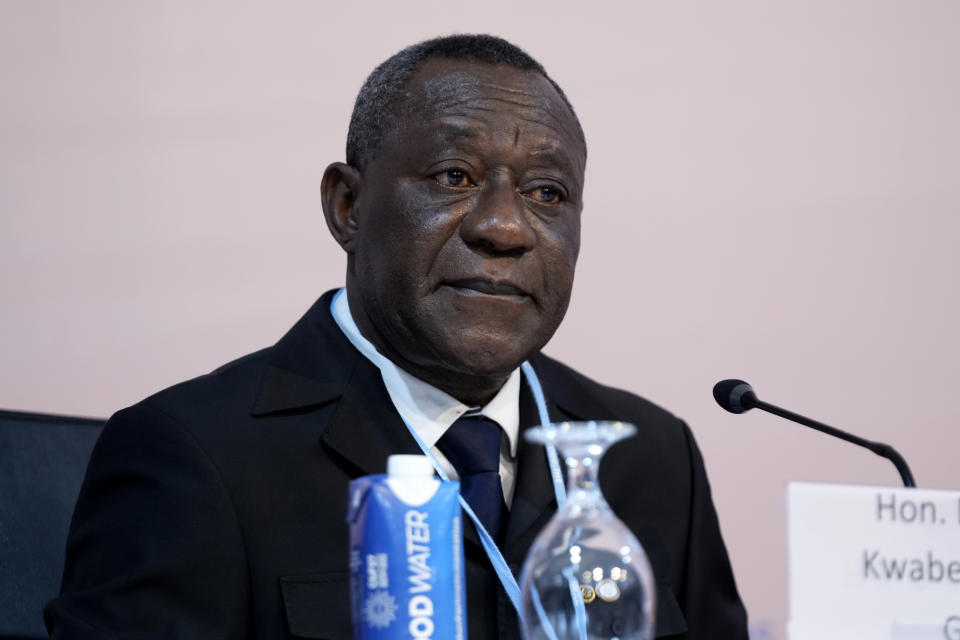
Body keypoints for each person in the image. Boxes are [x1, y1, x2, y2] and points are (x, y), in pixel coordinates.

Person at [45, 34, 748, 639]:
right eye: (455, 176)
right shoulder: (195, 458)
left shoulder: (652, 457)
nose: (504, 227)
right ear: (347, 207)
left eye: (547, 194)